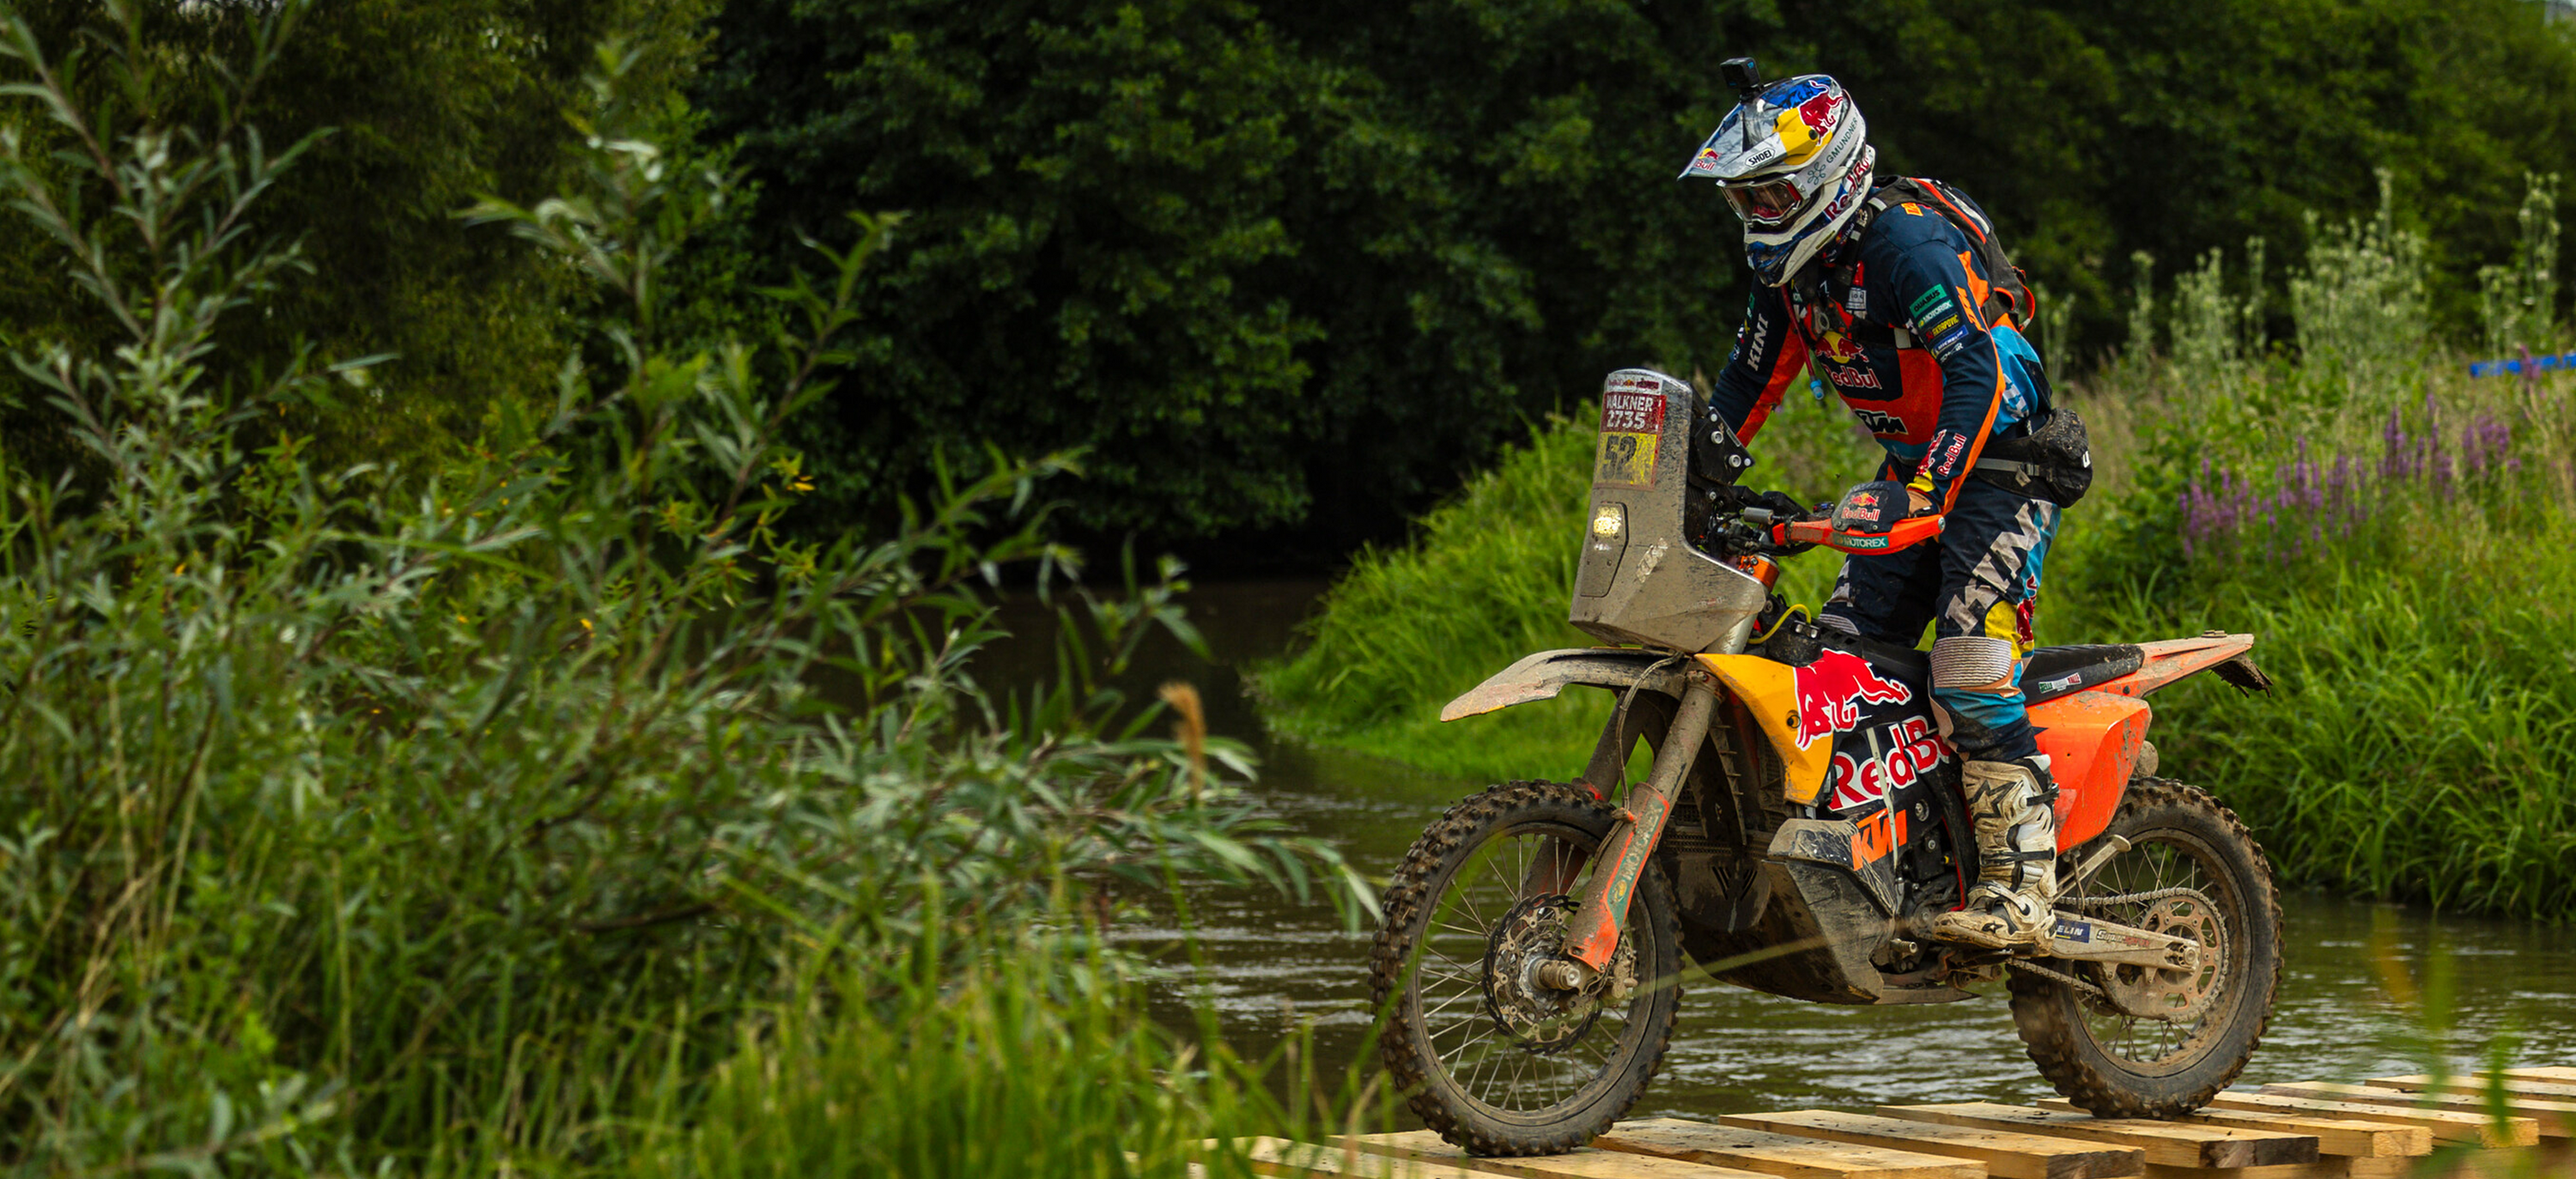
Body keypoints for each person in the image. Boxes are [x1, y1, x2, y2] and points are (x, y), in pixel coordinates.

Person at [1684, 64, 2087, 951]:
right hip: (1918, 468)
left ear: (1832, 172)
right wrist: (1695, 477)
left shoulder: (1905, 246)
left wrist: (1931, 488)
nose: (1759, 212)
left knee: (1972, 656)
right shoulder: (1792, 273)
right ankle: (1899, 848)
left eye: (1774, 190)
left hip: (2004, 462)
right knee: (1836, 659)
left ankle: (2025, 883)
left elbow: (1975, 369)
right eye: (1746, 198)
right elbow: (1750, 379)